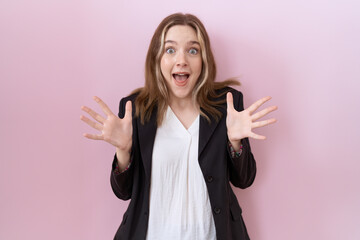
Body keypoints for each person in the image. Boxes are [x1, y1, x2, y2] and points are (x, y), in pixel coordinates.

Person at [81, 13, 277, 240]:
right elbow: (123, 192)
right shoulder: (135, 109)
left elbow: (244, 179)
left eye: (193, 50)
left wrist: (235, 142)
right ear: (157, 58)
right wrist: (124, 151)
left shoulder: (227, 105)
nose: (181, 60)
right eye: (170, 50)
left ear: (204, 59)